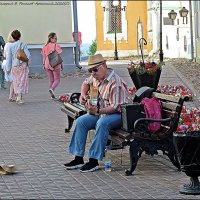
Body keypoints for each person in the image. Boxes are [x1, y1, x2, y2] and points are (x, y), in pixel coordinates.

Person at [64, 54, 130, 172]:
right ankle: (78, 158)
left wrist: (98, 111)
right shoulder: (95, 77)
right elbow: (85, 83)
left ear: (104, 66)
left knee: (102, 123)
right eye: (90, 70)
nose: (93, 73)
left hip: (120, 115)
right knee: (81, 121)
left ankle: (93, 160)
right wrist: (83, 95)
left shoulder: (116, 83)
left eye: (95, 70)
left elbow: (115, 107)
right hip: (102, 112)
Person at [5, 30, 30, 104]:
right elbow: (28, 55)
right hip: (22, 65)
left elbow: (8, 58)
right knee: (21, 81)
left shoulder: (9, 45)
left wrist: (8, 68)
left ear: (12, 37)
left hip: (14, 66)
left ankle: (16, 96)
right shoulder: (23, 44)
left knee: (16, 81)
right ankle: (19, 97)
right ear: (20, 36)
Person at [41, 32, 63, 99]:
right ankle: (52, 89)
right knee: (57, 80)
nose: (56, 39)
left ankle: (51, 95)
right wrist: (61, 64)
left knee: (51, 80)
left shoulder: (45, 46)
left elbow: (44, 57)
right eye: (55, 38)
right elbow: (59, 56)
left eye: (56, 38)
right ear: (51, 38)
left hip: (47, 64)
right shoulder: (56, 45)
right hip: (55, 63)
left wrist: (43, 64)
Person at [2, 33, 15, 101]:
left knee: (14, 81)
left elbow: (4, 55)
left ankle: (11, 96)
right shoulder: (15, 45)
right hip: (13, 64)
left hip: (7, 63)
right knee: (15, 80)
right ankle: (13, 96)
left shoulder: (7, 44)